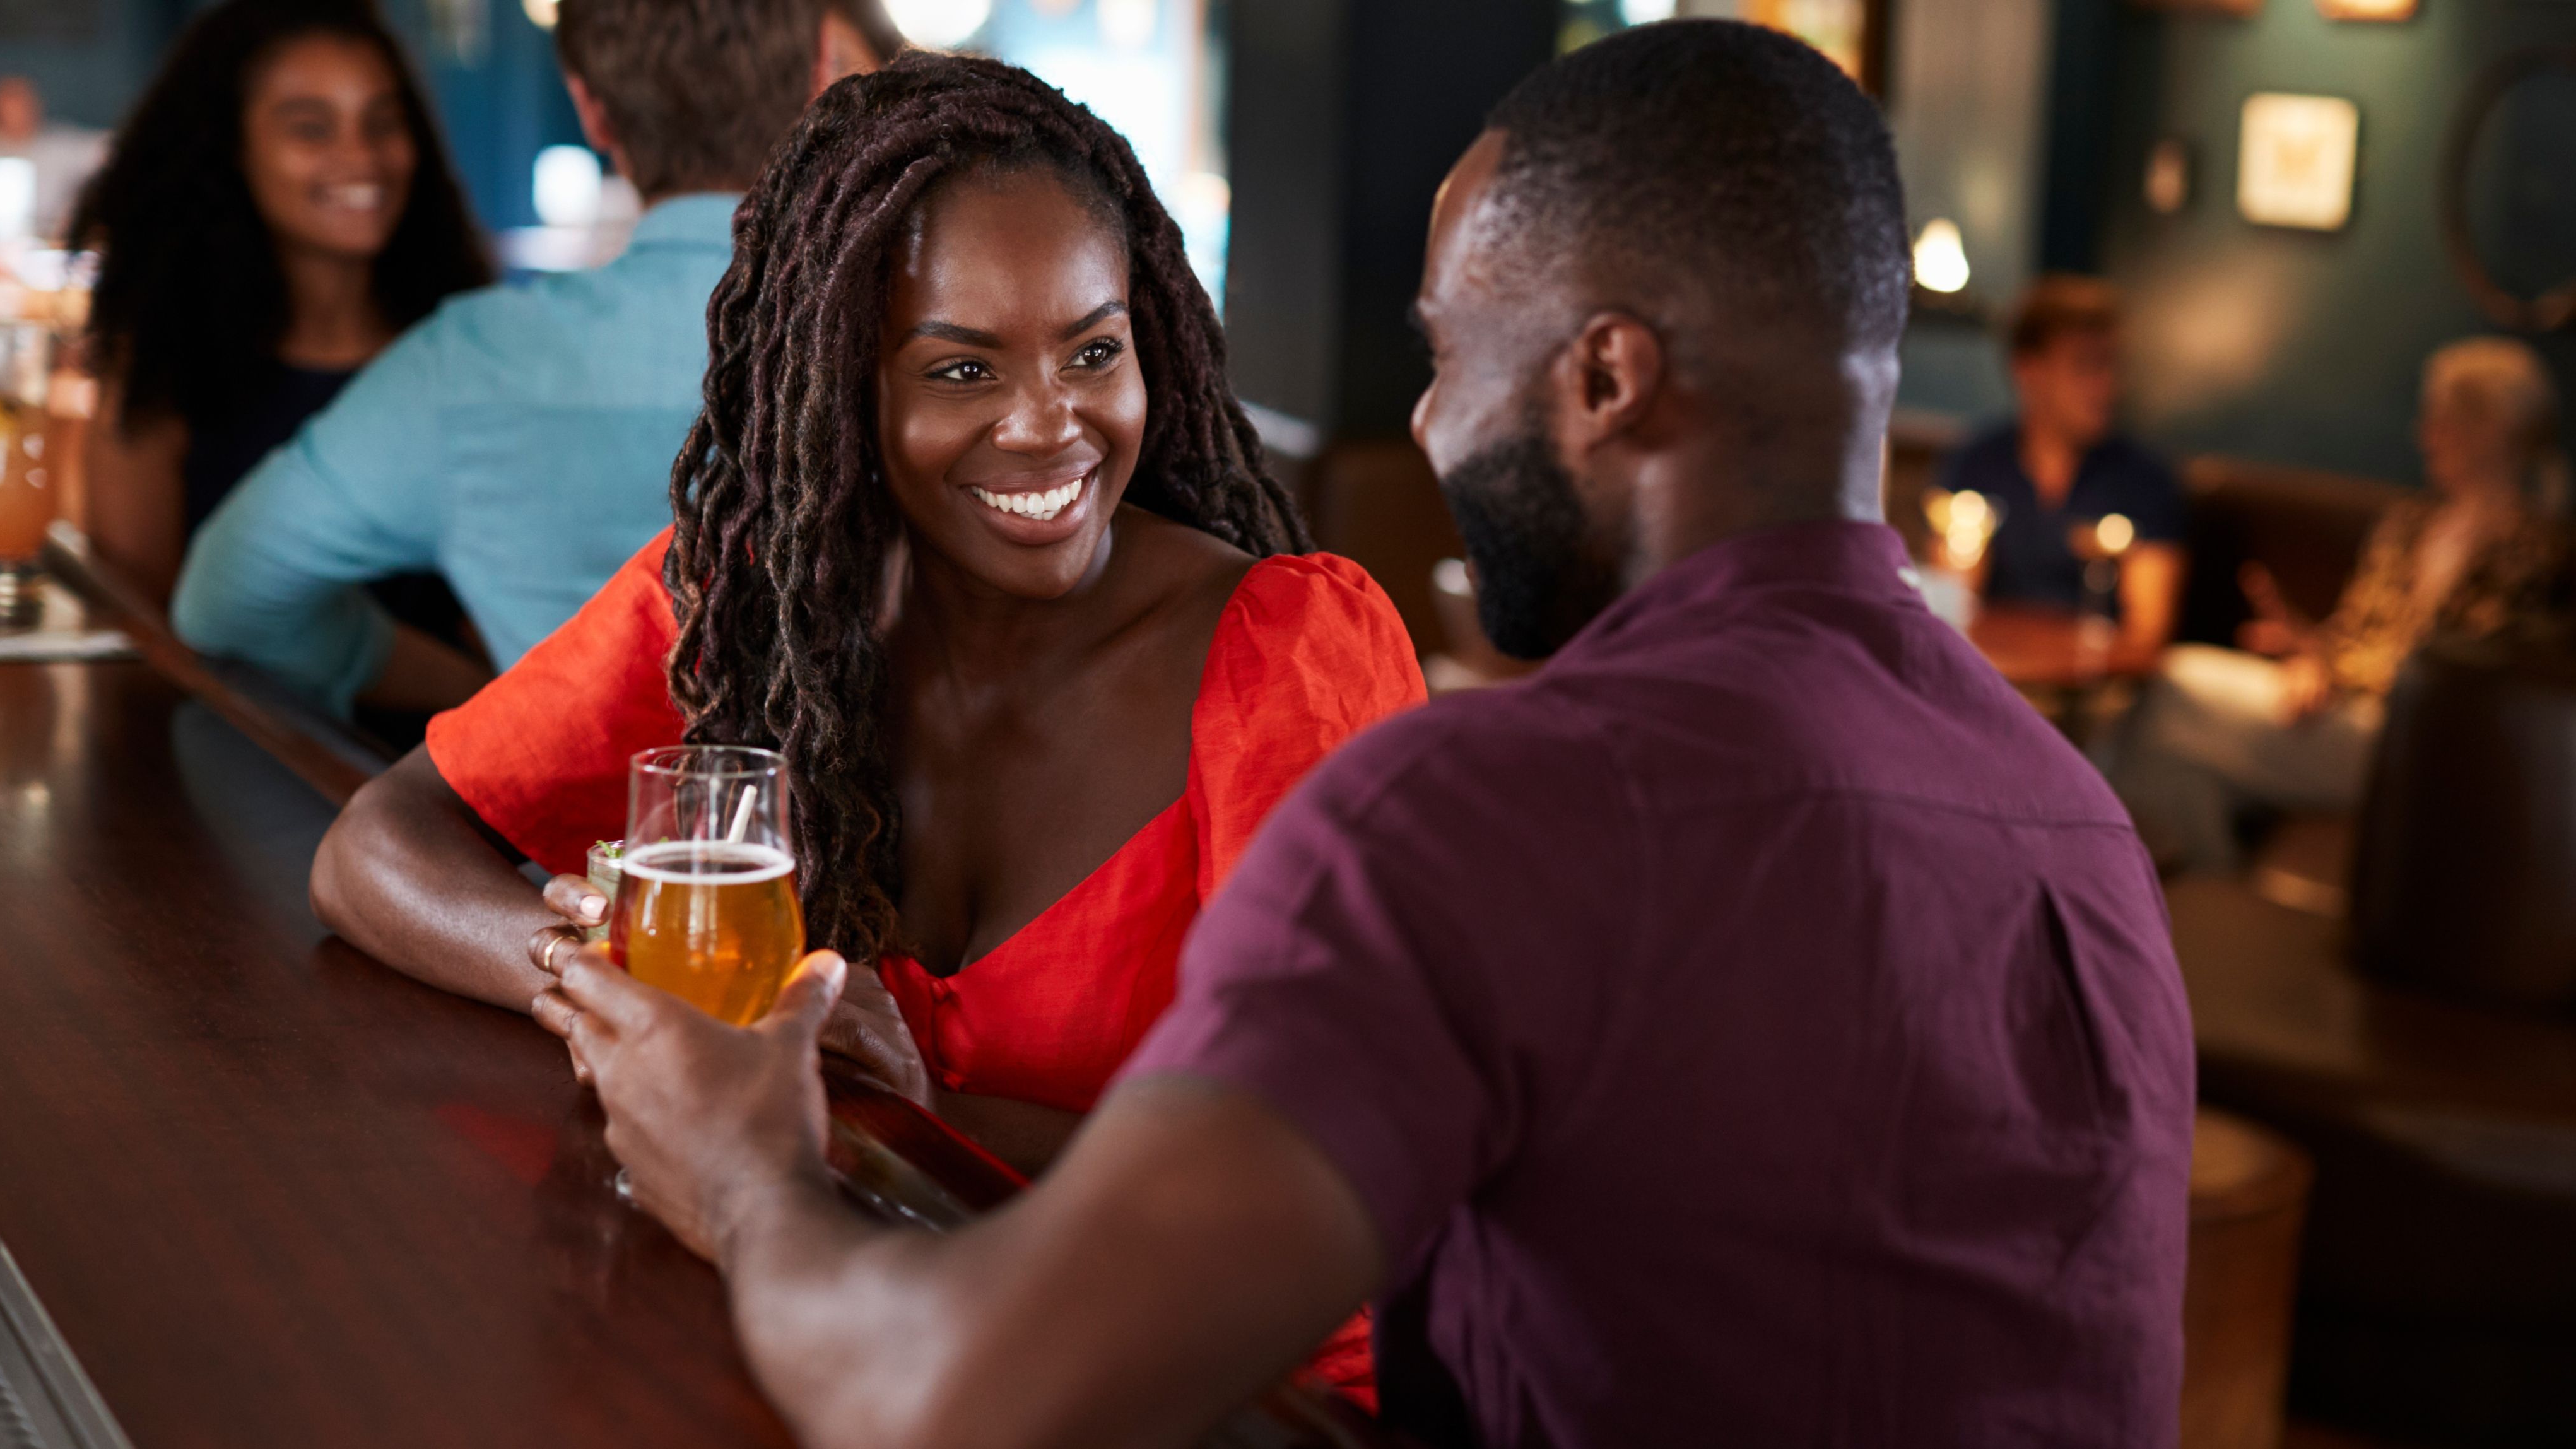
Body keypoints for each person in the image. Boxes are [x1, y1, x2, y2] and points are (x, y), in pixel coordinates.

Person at [531, 23, 2196, 1448]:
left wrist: (743, 1165)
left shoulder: (1484, 810)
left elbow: (952, 1397)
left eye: (1449, 353)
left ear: (1604, 379)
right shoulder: (2086, 831)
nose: (1424, 418)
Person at [308, 54, 1423, 1394]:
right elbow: (375, 847)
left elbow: (1313, 1168)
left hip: (1218, 1384)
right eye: (961, 368)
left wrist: (852, 1116)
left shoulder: (1290, 649)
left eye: (1093, 350)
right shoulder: (749, 604)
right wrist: (607, 988)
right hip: (850, 1323)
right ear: (847, 386)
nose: (1049, 426)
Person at [168, 0, 891, 717]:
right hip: (865, 792)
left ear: (590, 108)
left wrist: (470, 694)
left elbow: (223, 598)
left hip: (568, 792)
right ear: (820, 74)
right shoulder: (909, 334)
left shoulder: (464, 366)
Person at [71, 0, 490, 650]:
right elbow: (144, 628)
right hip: (231, 717)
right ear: (230, 149)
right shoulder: (162, 360)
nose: (361, 156)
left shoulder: (464, 343)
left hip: (465, 716)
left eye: (383, 122)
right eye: (311, 128)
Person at [2114, 337, 2572, 874]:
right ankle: (2211, 892)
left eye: (2442, 420)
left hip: (2416, 740)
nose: (2425, 435)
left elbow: (2456, 672)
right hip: (2342, 712)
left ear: (2491, 430)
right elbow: (2354, 633)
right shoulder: (2410, 524)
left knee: (2174, 682)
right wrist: (2308, 653)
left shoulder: (2533, 549)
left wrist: (2331, 668)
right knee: (2172, 763)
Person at [1942, 275, 2185, 652]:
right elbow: (1953, 601)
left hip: (2100, 684)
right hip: (1993, 673)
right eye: (2086, 366)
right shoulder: (1977, 462)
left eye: (2112, 365)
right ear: (2028, 369)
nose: (2107, 385)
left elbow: (2146, 632)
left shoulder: (2145, 478)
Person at [0, 76, 107, 242]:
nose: (17, 112)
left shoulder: (60, 146)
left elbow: (109, 149)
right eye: (10, 105)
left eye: (24, 105)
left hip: (53, 239)